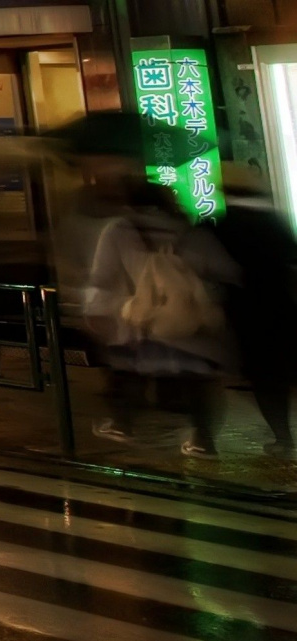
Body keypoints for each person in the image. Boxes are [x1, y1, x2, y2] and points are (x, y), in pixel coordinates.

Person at [83, 174, 234, 453]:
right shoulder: (189, 232)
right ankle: (203, 439)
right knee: (196, 379)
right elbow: (225, 272)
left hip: (140, 323)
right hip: (186, 325)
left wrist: (97, 310)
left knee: (127, 372)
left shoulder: (119, 229)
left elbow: (102, 277)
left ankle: (122, 424)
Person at [212, 166, 297, 454]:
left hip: (245, 312)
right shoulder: (275, 222)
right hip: (282, 306)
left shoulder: (222, 225)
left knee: (263, 376)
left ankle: (282, 435)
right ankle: (283, 433)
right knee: (281, 373)